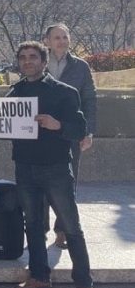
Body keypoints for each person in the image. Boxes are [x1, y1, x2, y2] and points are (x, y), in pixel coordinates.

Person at [0, 41, 93, 288]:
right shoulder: (16, 92)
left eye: (33, 57)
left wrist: (57, 124)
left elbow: (79, 130)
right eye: (23, 57)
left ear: (44, 61)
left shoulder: (65, 92)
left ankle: (84, 284)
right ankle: (39, 275)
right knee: (33, 225)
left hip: (57, 169)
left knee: (71, 227)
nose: (28, 61)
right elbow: (2, 125)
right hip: (25, 168)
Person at [43, 23, 97, 249]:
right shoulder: (37, 62)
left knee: (67, 183)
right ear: (47, 41)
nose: (61, 41)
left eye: (65, 37)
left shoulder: (81, 67)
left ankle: (62, 229)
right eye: (57, 37)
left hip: (70, 132)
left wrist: (88, 131)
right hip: (41, 132)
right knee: (39, 183)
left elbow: (89, 100)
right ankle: (39, 228)